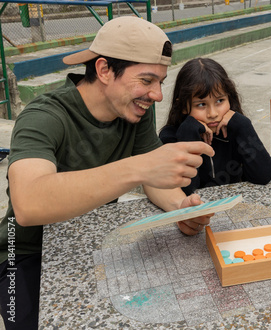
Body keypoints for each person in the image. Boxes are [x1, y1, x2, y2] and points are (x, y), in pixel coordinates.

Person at [0, 16, 215, 329]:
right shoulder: (44, 116)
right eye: (146, 80)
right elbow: (28, 203)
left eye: (160, 82)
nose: (156, 95)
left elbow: (154, 177)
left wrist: (180, 210)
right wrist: (137, 167)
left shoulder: (133, 111)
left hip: (94, 243)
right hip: (26, 254)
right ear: (103, 70)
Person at [159, 58, 271, 195]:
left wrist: (244, 125)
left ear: (230, 99)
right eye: (201, 104)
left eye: (220, 101)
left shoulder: (235, 130)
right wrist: (189, 132)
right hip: (195, 212)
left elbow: (264, 176)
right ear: (183, 106)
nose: (213, 114)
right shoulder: (170, 137)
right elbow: (186, 190)